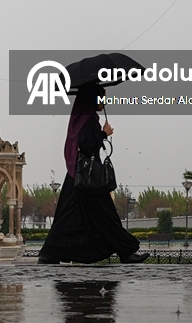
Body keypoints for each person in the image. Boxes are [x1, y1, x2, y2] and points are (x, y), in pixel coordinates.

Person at [38, 84, 147, 264]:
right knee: (107, 215)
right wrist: (103, 134)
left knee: (70, 217)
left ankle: (50, 253)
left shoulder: (82, 117)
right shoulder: (88, 119)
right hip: (88, 177)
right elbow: (87, 145)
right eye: (101, 97)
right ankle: (126, 252)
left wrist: (100, 133)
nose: (104, 102)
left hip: (77, 175)